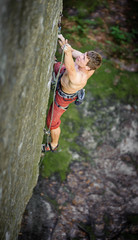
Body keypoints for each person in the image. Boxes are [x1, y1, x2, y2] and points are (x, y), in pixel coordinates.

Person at [42, 34, 102, 152]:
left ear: (88, 68)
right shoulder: (85, 62)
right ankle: (54, 65)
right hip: (62, 75)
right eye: (84, 54)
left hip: (63, 97)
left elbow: (70, 67)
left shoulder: (80, 78)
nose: (80, 57)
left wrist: (67, 52)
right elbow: (73, 52)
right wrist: (65, 44)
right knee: (58, 65)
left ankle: (53, 145)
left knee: (51, 122)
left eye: (84, 58)